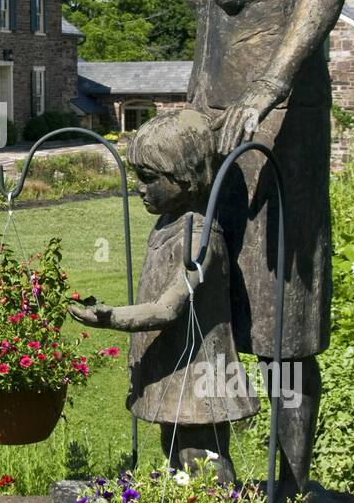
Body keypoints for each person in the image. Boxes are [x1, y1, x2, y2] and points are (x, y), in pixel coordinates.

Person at [155, 0, 344, 501]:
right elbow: (212, 28)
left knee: (283, 325)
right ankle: (211, 475)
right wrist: (191, 113)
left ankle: (293, 494)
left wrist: (265, 90)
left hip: (277, 137)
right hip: (213, 139)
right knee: (209, 293)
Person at [69, 109, 257, 483]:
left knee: (201, 453)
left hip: (199, 371)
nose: (140, 187)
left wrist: (110, 317)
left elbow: (167, 309)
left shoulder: (201, 240)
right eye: (139, 177)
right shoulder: (170, 224)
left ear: (187, 177)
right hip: (175, 367)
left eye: (150, 178)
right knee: (173, 446)